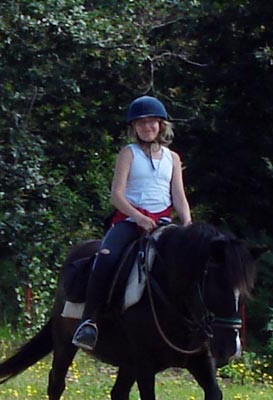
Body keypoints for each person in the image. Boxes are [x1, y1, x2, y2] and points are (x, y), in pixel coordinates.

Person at [72, 96, 192, 351]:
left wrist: (188, 224)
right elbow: (117, 194)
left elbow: (179, 196)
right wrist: (138, 217)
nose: (147, 127)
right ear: (134, 127)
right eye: (142, 123)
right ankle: (89, 322)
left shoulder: (172, 158)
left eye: (152, 122)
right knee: (105, 256)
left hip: (163, 223)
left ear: (161, 125)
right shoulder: (128, 153)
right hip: (129, 220)